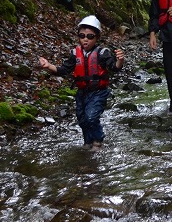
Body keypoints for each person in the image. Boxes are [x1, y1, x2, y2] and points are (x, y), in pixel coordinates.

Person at [38, 15, 124, 149]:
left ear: (97, 38)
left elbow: (114, 67)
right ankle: (87, 142)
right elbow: (63, 69)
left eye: (90, 36)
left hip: (98, 92)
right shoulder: (74, 54)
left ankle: (97, 141)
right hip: (82, 92)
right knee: (82, 119)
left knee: (91, 117)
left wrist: (120, 60)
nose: (85, 39)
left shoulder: (102, 53)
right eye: (82, 36)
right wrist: (49, 66)